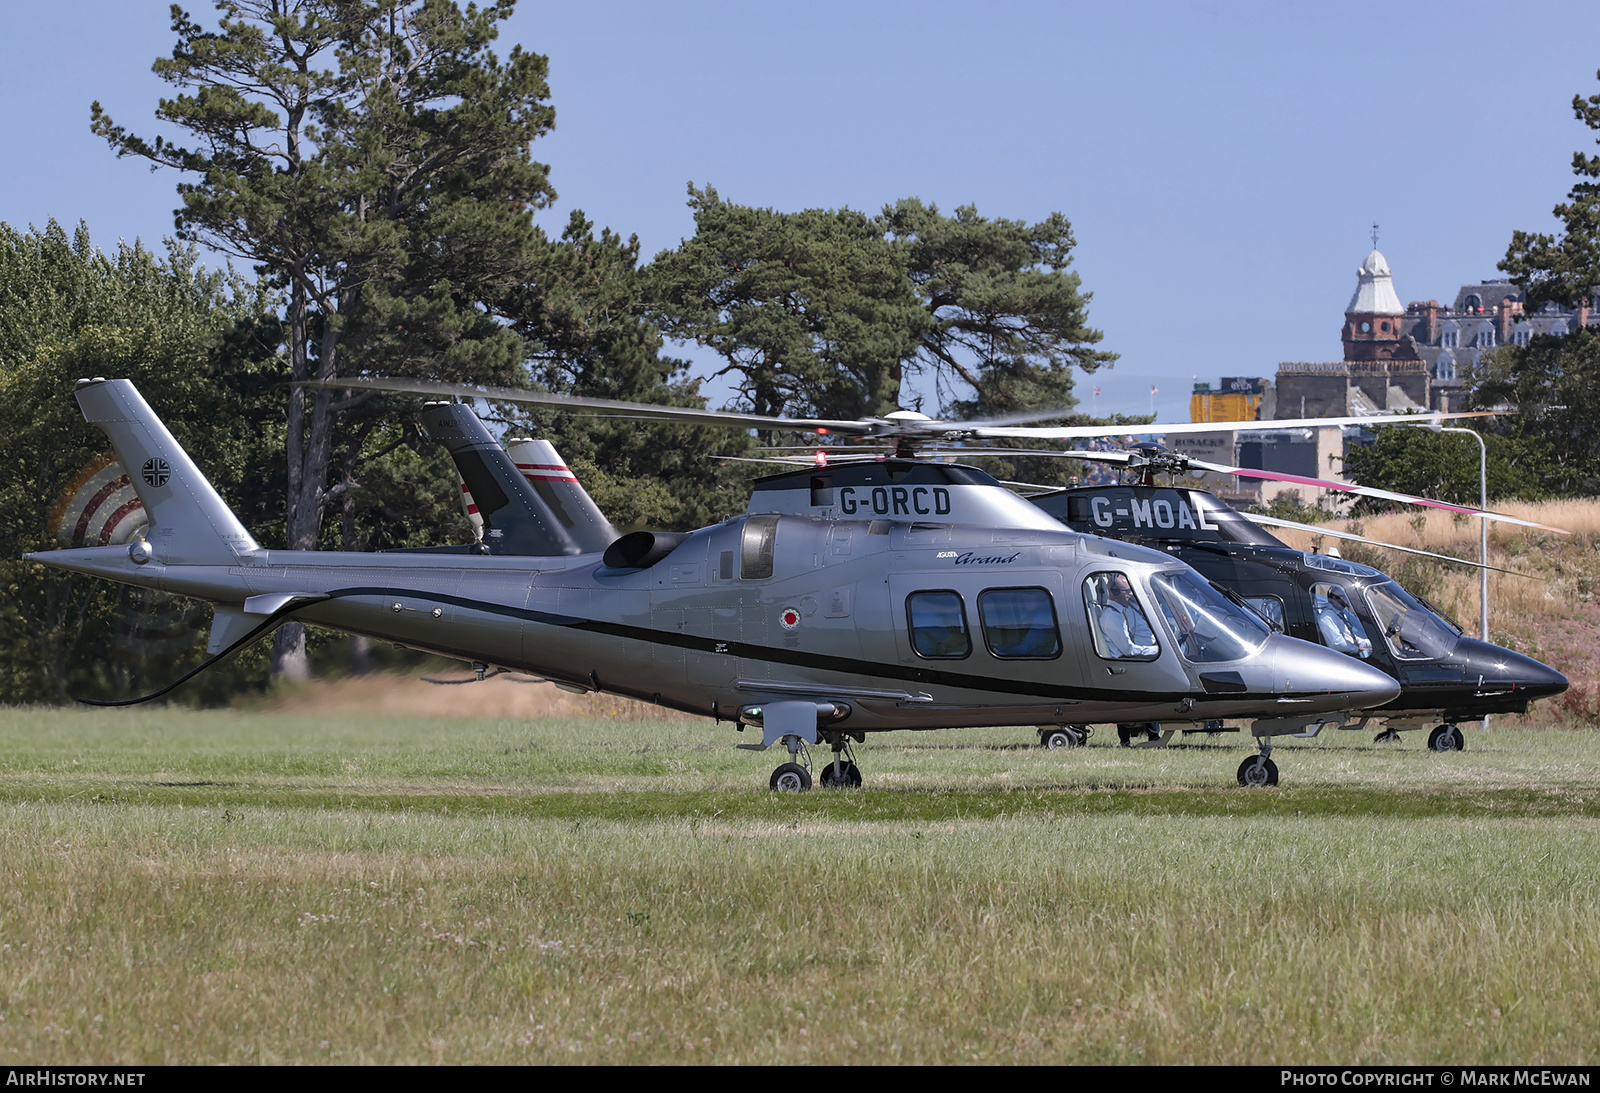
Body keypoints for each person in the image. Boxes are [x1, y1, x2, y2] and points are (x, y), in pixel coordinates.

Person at [1098, 574, 1159, 659]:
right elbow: (1129, 650)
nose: (1131, 594)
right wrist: (1157, 650)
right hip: (1126, 660)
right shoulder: (1112, 616)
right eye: (1127, 591)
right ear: (1115, 591)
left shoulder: (1122, 610)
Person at [1315, 586, 1372, 658]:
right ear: (1330, 597)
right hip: (1341, 657)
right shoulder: (1327, 616)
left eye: (1344, 597)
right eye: (1338, 597)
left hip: (1350, 652)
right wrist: (1357, 650)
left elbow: (1349, 636)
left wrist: (1369, 643)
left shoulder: (1341, 614)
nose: (1342, 600)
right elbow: (1337, 643)